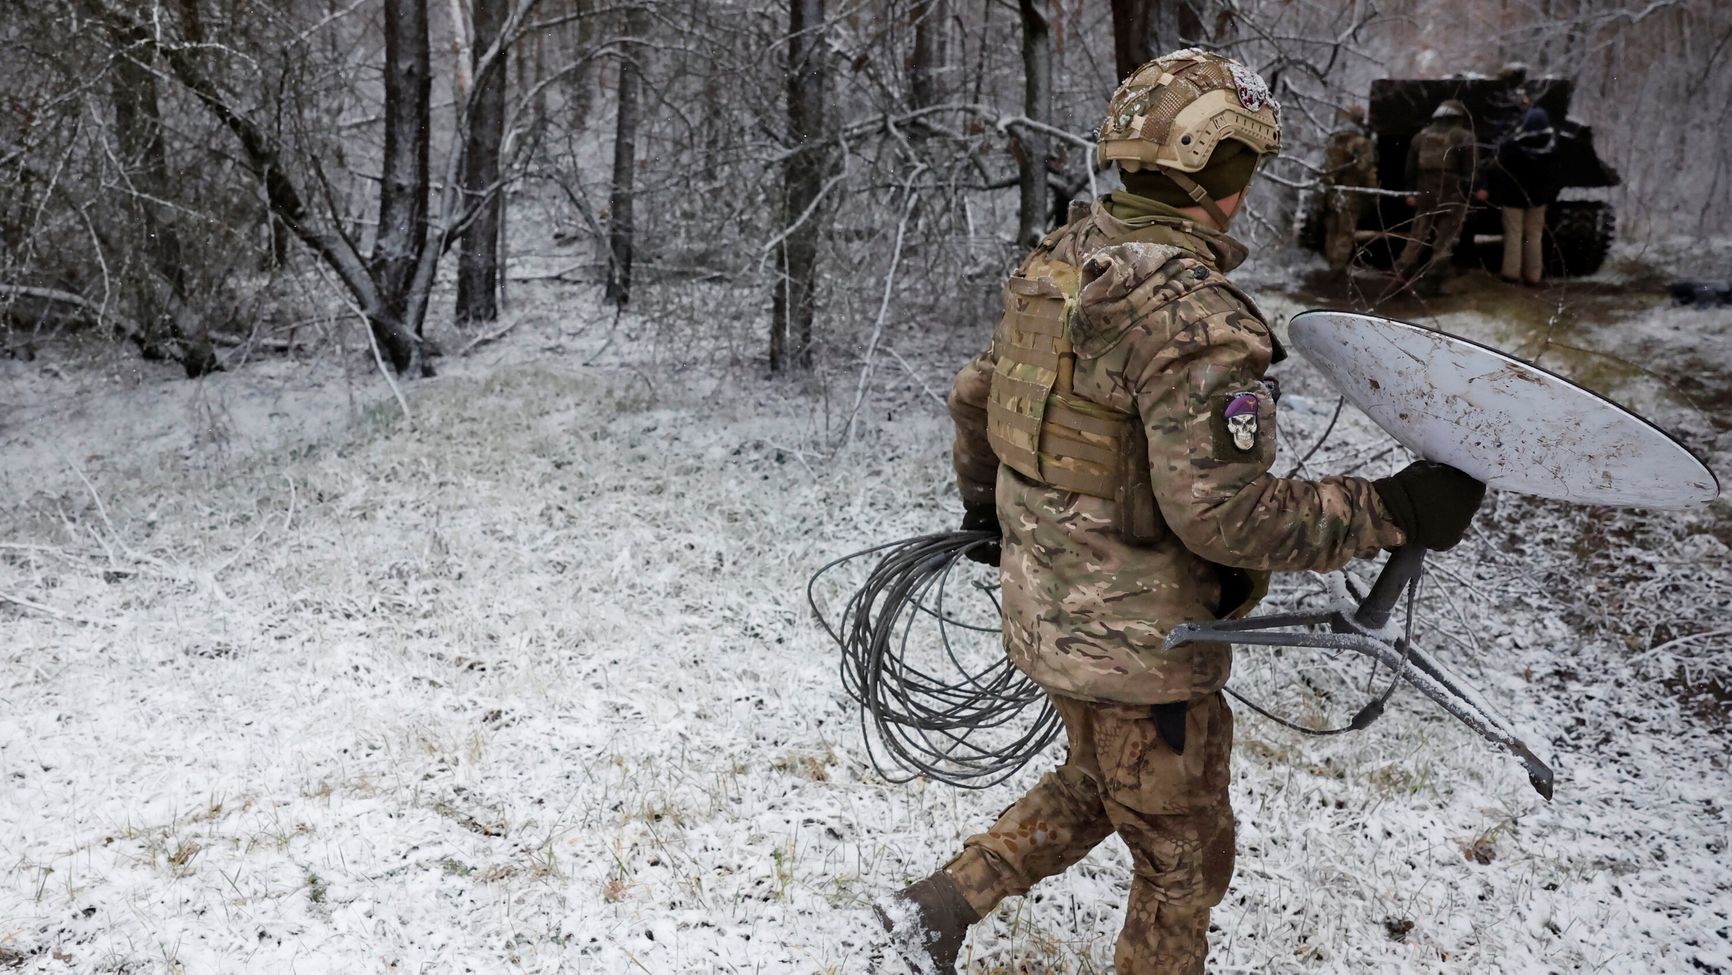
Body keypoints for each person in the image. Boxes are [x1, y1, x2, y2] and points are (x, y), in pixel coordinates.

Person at [876, 50, 1486, 975]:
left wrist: (986, 518)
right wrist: (1393, 507)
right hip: (1141, 654)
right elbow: (1228, 520)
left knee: (1098, 781)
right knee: (1183, 854)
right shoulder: (1192, 316)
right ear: (1220, 174)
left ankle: (938, 907)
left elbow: (975, 396)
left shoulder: (1062, 258)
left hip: (1049, 614)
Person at [1479, 86, 1559, 285]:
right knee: (1534, 236)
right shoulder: (1551, 149)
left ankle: (1511, 274)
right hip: (1538, 198)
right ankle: (1533, 275)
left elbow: (1495, 167)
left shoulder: (1511, 147)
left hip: (1513, 197)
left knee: (1514, 235)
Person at [1394, 100, 1477, 291]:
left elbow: (1410, 170)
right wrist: (1466, 195)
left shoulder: (1420, 138)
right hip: (1452, 197)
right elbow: (1470, 171)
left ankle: (1400, 275)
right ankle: (1433, 282)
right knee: (1444, 242)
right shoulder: (1464, 137)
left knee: (1416, 239)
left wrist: (1411, 192)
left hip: (1425, 196)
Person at [1321, 104, 1378, 271]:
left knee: (1332, 229)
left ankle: (1330, 263)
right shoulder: (1361, 142)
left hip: (1332, 191)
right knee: (1345, 232)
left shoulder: (1334, 139)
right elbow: (1366, 169)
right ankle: (1337, 268)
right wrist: (1372, 193)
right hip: (1350, 192)